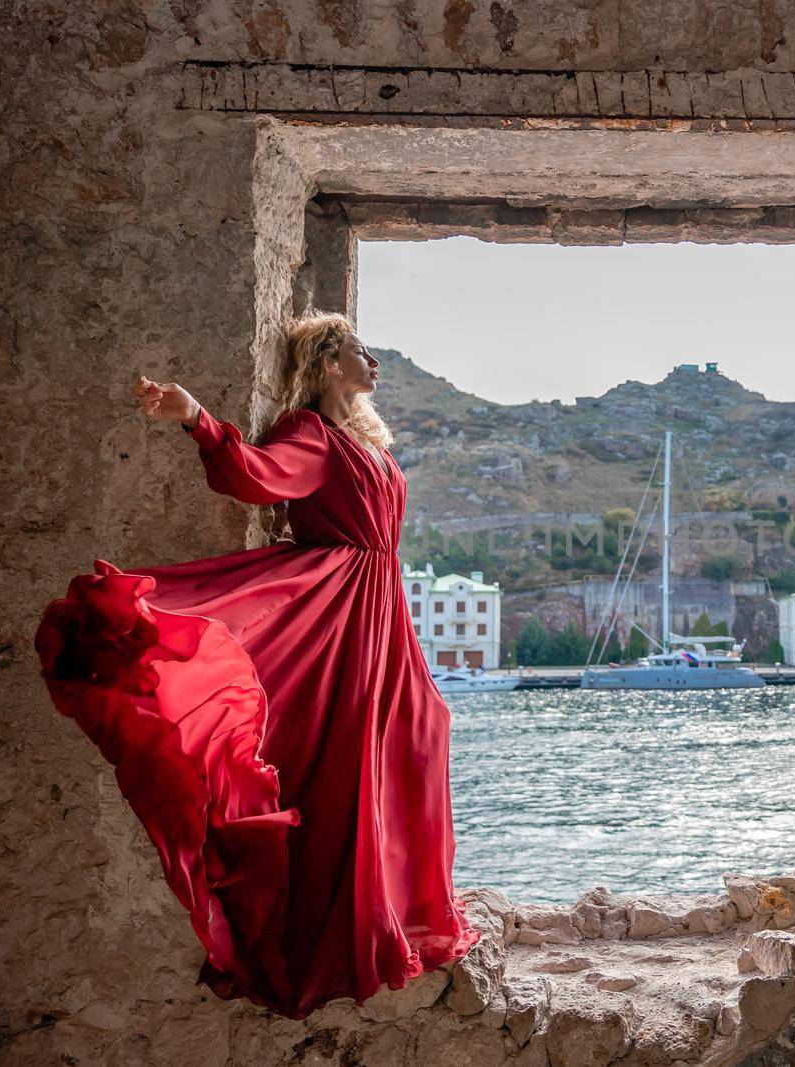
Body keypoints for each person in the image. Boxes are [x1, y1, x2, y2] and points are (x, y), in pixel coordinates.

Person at [35, 311, 480, 1019]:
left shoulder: (364, 440)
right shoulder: (311, 433)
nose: (377, 363)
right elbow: (256, 477)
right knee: (346, 761)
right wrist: (198, 420)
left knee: (418, 733)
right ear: (331, 363)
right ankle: (348, 928)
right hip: (339, 610)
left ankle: (403, 909)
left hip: (377, 604)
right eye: (364, 351)